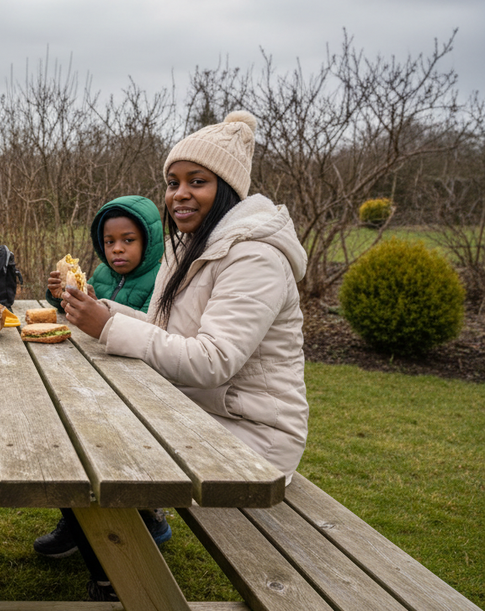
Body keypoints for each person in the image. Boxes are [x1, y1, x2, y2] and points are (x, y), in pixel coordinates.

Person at [60, 111, 309, 601]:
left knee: (88, 444)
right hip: (196, 415)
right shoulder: (191, 246)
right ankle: (97, 538)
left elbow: (213, 360)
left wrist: (107, 327)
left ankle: (121, 577)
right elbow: (159, 331)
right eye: (173, 182)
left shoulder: (255, 256)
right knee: (71, 421)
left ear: (229, 190)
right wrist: (99, 308)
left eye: (197, 182)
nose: (179, 194)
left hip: (249, 440)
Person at [35, 195, 171, 559]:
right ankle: (77, 521)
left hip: (141, 385)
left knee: (123, 451)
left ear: (149, 241)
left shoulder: (162, 279)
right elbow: (82, 320)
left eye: (128, 240)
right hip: (97, 377)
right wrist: (60, 298)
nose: (117, 250)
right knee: (61, 431)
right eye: (109, 242)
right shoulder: (99, 275)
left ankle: (149, 516)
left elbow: (154, 328)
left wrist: (104, 313)